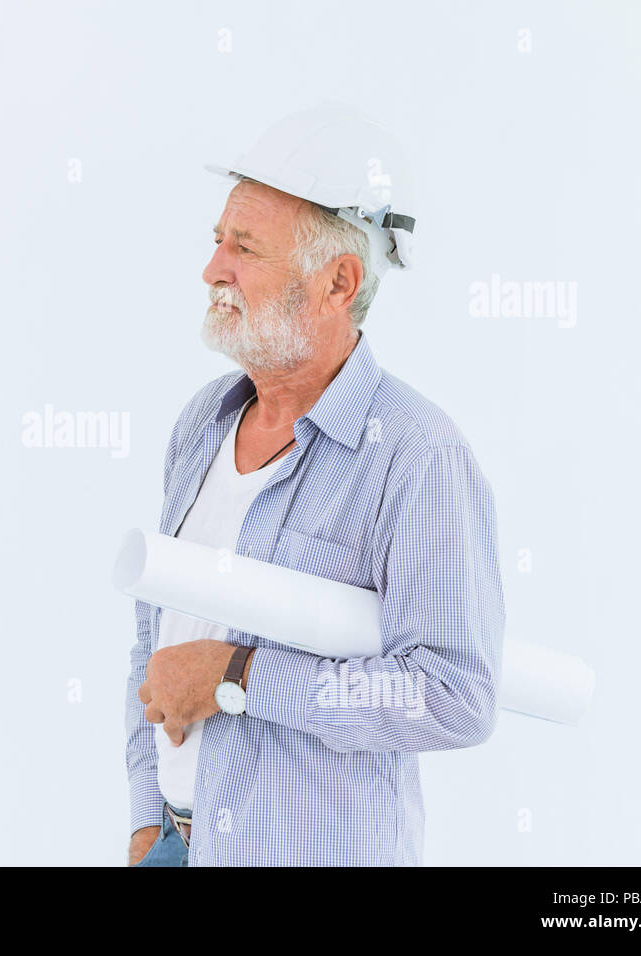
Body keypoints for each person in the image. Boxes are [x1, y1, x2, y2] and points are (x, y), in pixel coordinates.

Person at [125, 105, 505, 866]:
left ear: (339, 282)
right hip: (174, 844)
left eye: (246, 249)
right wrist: (145, 825)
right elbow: (152, 644)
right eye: (217, 242)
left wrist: (239, 677)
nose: (213, 271)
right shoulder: (204, 421)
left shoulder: (416, 456)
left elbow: (452, 694)